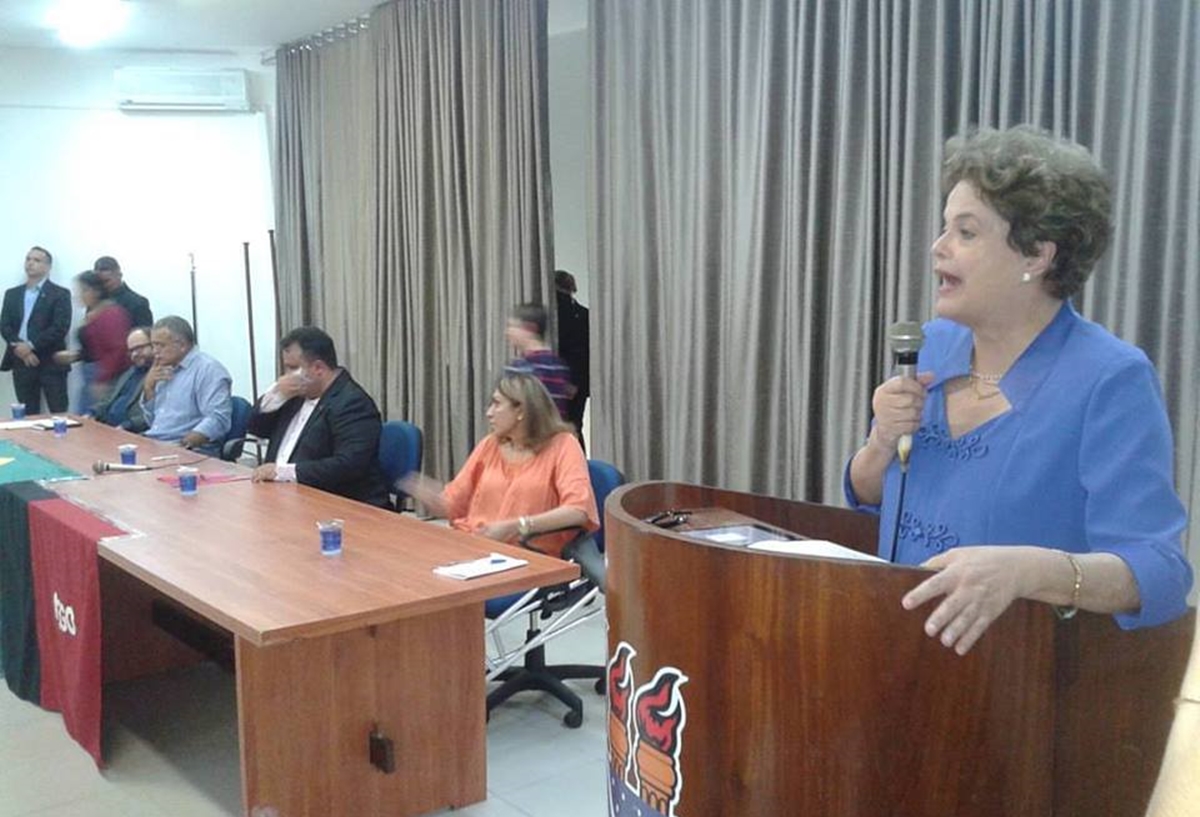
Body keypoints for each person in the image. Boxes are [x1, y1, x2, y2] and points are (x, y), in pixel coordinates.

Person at [845, 126, 1192, 655]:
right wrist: (879, 444)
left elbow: (1159, 571)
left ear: (1035, 256)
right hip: (900, 656)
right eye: (945, 227)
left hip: (1025, 677)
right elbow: (869, 495)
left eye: (966, 232)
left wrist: (1026, 571)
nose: (938, 247)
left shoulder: (1110, 378)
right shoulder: (931, 349)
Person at [403, 372, 597, 558]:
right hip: (476, 547)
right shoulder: (490, 444)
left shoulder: (563, 445)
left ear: (520, 411)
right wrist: (434, 498)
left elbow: (577, 511)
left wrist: (517, 526)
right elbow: (455, 503)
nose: (489, 413)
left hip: (528, 555)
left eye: (496, 404)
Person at [247, 327, 390, 508]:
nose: (287, 376)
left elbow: (349, 465)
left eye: (293, 368)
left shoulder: (352, 402)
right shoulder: (295, 395)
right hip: (285, 497)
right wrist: (276, 394)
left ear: (318, 368)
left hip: (337, 503)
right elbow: (256, 428)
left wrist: (283, 472)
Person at [141, 315, 231, 452]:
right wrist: (149, 389)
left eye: (161, 345)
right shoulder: (162, 369)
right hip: (155, 443)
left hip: (190, 450)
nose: (155, 352)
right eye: (153, 345)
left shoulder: (209, 369)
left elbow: (218, 419)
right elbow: (155, 423)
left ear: (182, 345)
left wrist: (182, 445)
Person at [0, 246, 71, 414]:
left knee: (59, 412)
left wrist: (31, 346)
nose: (30, 263)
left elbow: (60, 327)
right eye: (28, 259)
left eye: (37, 260)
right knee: (27, 414)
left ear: (48, 267)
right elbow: (5, 325)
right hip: (21, 361)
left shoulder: (60, 294)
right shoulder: (12, 294)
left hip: (50, 361)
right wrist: (21, 349)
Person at [54, 271, 131, 413]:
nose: (79, 295)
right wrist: (76, 355)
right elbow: (93, 347)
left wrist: (103, 379)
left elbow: (117, 349)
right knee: (82, 414)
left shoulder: (111, 314)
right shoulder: (93, 313)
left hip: (105, 375)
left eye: (84, 290)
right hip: (89, 373)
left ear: (96, 291)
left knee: (93, 416)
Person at [505, 302, 575, 421]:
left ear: (530, 328)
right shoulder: (559, 366)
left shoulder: (519, 368)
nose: (508, 332)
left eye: (513, 326)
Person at [92, 327, 153, 432]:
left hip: (130, 432)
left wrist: (127, 426)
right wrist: (92, 413)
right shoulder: (130, 372)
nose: (134, 354)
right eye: (131, 351)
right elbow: (109, 399)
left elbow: (154, 414)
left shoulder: (158, 375)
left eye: (139, 348)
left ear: (154, 345)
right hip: (108, 428)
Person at [555, 270, 591, 443]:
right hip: (573, 382)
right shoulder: (583, 314)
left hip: (569, 382)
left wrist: (574, 382)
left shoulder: (578, 315)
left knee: (570, 428)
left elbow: (582, 352)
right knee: (572, 428)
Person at [93, 256, 153, 328]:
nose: (100, 273)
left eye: (105, 269)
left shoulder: (138, 303)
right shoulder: (94, 302)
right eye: (100, 282)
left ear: (119, 274)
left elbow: (144, 333)